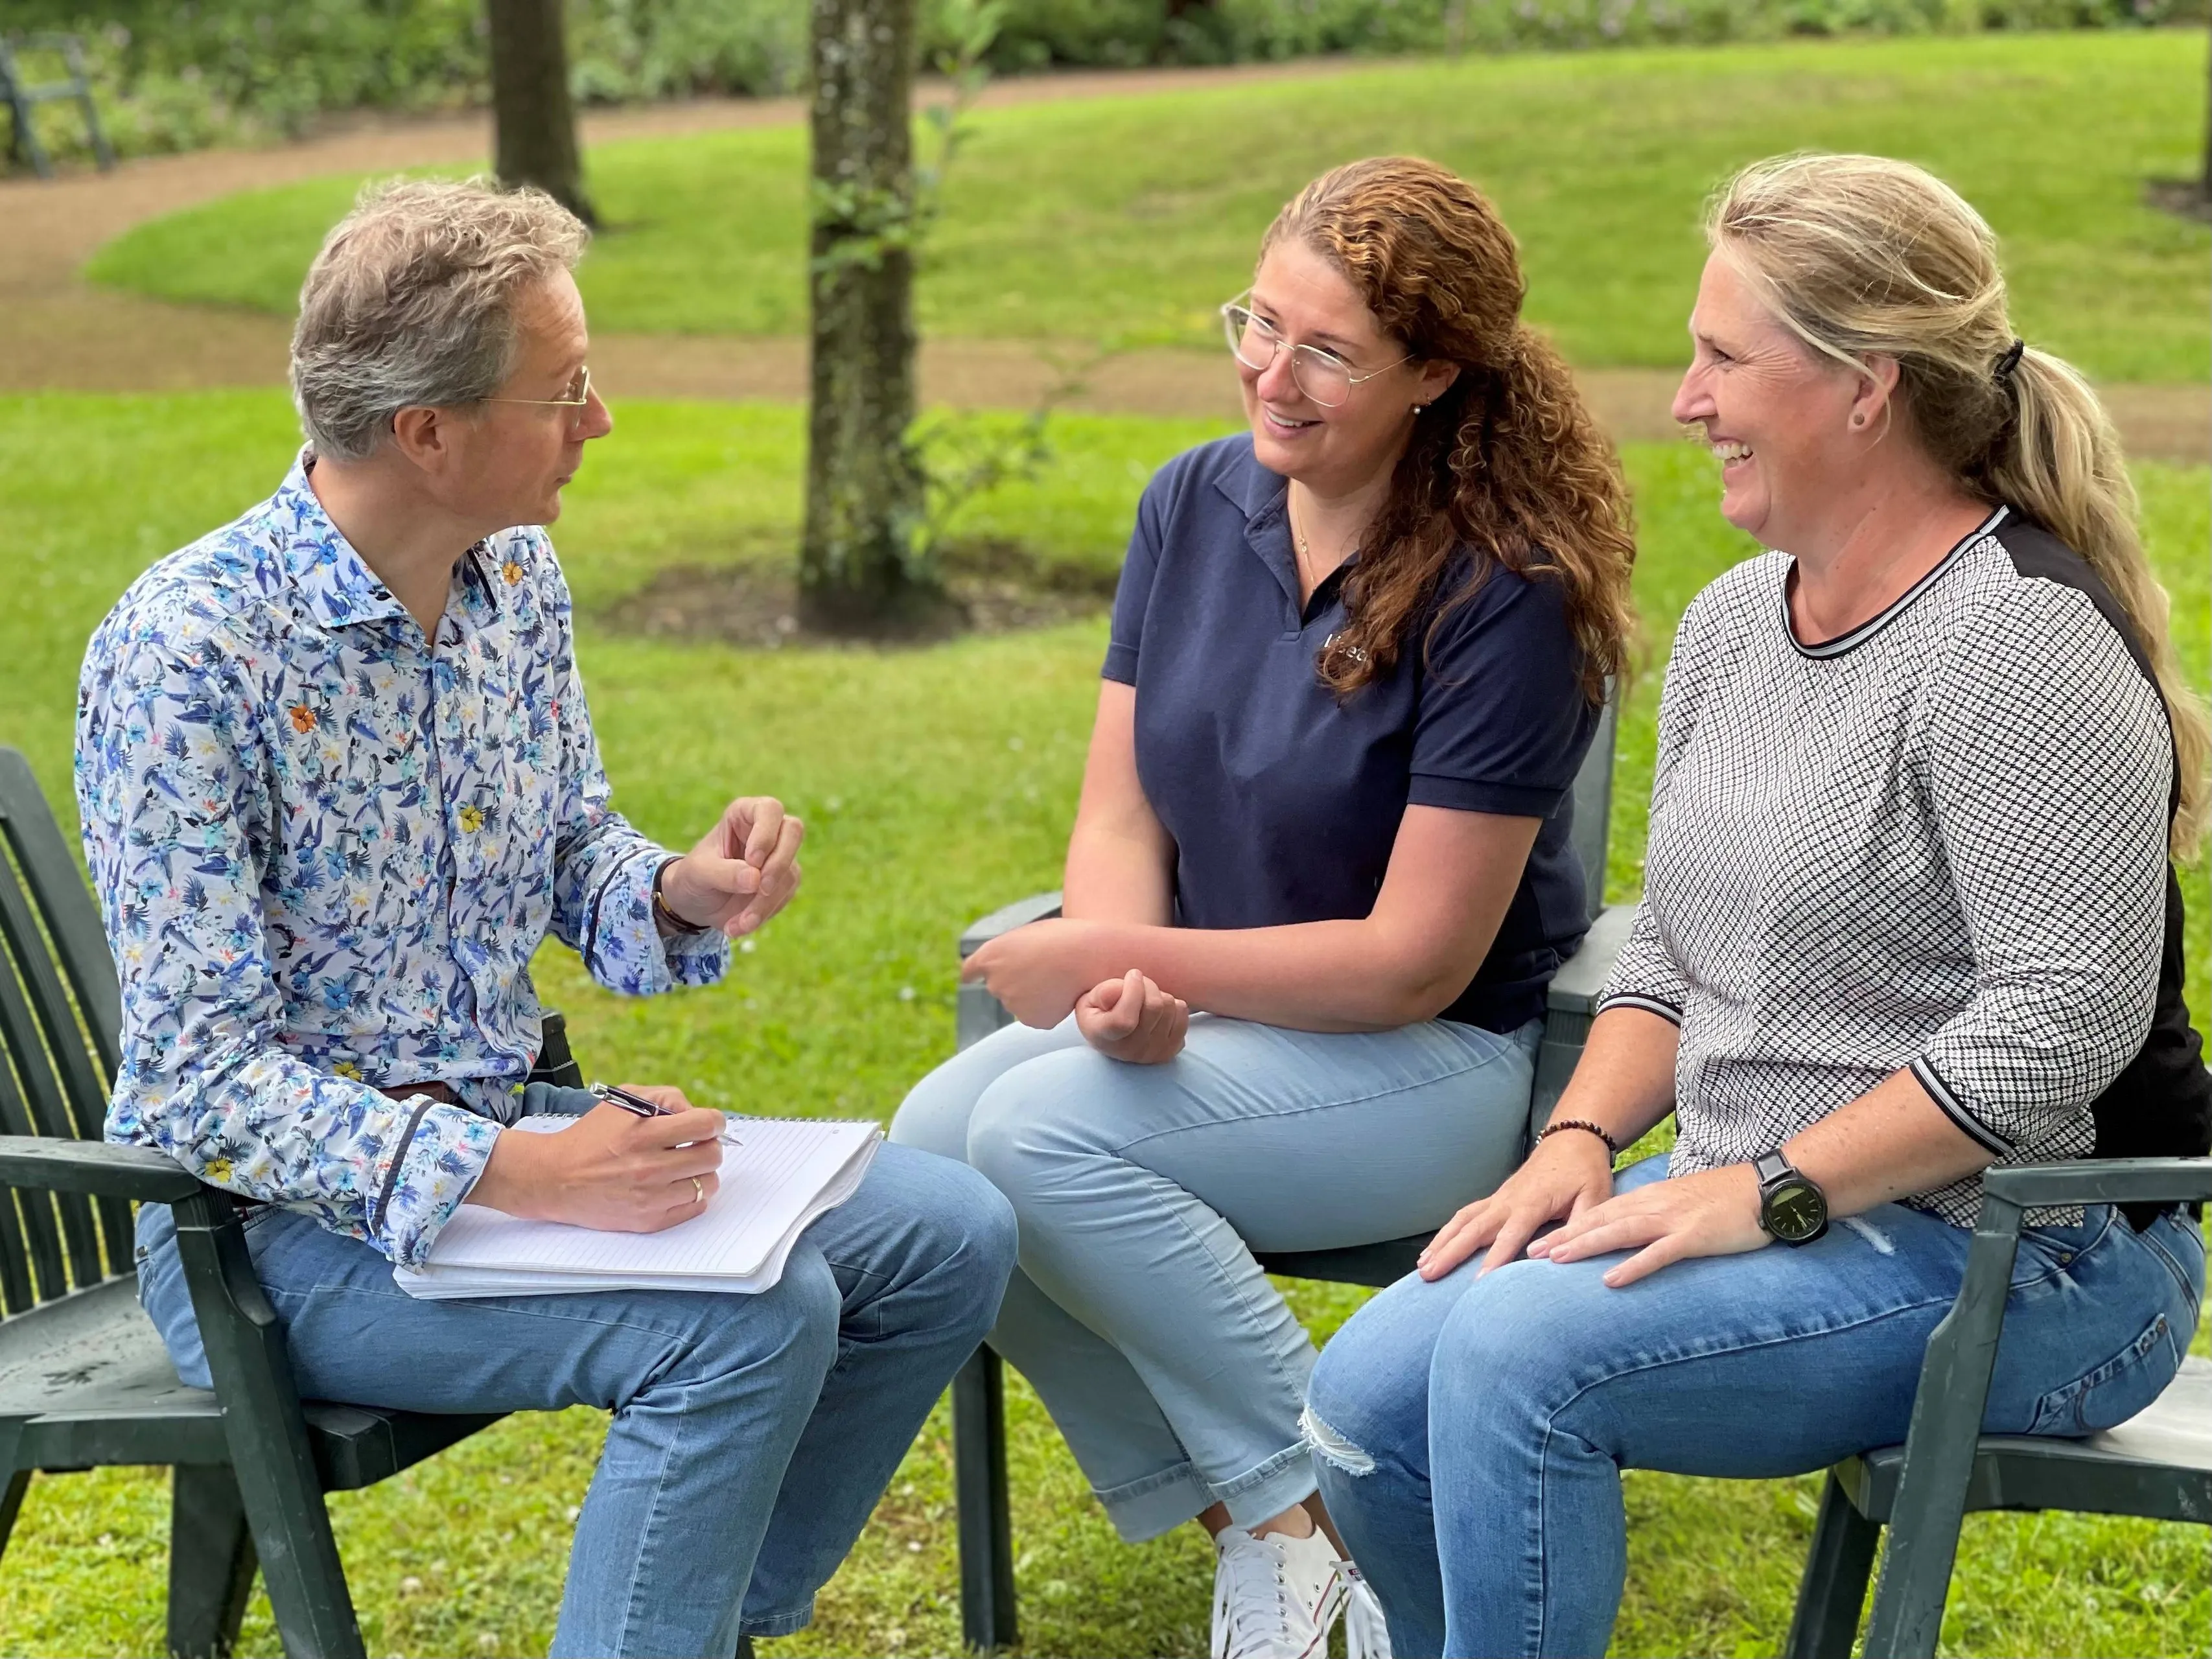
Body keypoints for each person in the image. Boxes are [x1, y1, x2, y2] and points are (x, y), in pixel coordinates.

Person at [75, 178, 1016, 1659]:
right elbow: (200, 1082)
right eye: (565, 388)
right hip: (274, 1244)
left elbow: (567, 841)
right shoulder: (188, 653)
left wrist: (669, 885)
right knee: (747, 1325)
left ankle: (701, 1622)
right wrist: (523, 1168)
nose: (601, 421)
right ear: (426, 433)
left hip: (518, 1135)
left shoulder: (510, 572)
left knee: (949, 1230)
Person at [1303, 151, 2212, 1659]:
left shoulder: (2019, 642)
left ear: (1862, 387)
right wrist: (1579, 1141)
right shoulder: (1739, 619)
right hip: (1780, 1204)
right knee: (1363, 1399)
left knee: (1518, 1360)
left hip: (2038, 1258)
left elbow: (2058, 1027)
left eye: (1722, 355)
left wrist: (1767, 1186)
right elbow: (1673, 941)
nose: (1682, 396)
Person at [891, 156, 1637, 1659]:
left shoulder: (1509, 589)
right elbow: (1120, 811)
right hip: (1214, 1032)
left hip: (1428, 1065)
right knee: (929, 1171)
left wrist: (1116, 952)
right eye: (1256, 319)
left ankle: (1305, 1508)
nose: (1266, 371)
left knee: (1036, 1138)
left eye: (1323, 350)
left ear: (1433, 371)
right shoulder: (1191, 501)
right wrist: (1123, 985)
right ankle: (1280, 1534)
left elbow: (1408, 962)